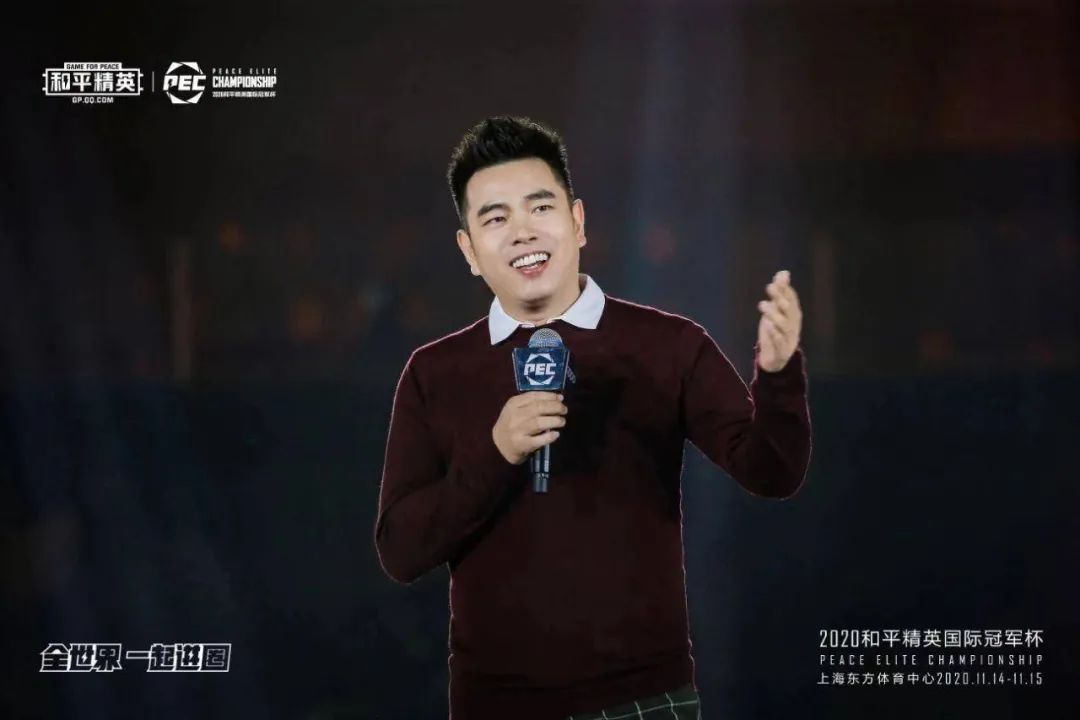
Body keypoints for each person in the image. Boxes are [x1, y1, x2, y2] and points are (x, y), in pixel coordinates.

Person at [374, 116, 812, 719]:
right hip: (495, 704)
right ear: (469, 251)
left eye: (540, 207)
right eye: (495, 219)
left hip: (644, 699)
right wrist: (496, 452)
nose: (523, 231)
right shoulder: (433, 373)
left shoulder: (669, 345)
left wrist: (780, 374)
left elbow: (772, 472)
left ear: (577, 221)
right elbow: (400, 550)